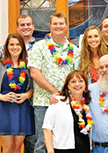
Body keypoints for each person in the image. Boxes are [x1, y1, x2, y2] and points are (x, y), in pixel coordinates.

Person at [28, 12, 79, 153]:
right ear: (50, 26)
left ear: (67, 26)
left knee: (65, 142)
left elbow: (76, 76)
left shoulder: (74, 50)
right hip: (44, 103)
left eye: (61, 23)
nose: (58, 26)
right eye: (55, 23)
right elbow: (34, 72)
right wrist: (55, 93)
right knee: (42, 143)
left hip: (67, 103)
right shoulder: (39, 47)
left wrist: (64, 96)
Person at [0, 33, 35, 153]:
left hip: (23, 108)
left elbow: (32, 88)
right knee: (8, 149)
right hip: (4, 108)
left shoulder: (28, 66)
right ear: (6, 47)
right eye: (11, 44)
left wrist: (26, 95)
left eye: (18, 44)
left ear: (22, 46)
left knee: (17, 148)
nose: (15, 47)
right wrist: (2, 97)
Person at [43, 70, 93, 153]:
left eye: (81, 81)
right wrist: (50, 150)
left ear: (85, 85)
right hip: (63, 149)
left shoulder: (89, 104)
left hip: (84, 148)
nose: (77, 84)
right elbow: (47, 128)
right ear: (68, 86)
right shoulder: (57, 102)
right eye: (73, 82)